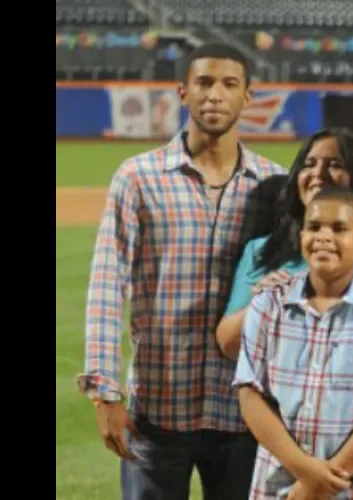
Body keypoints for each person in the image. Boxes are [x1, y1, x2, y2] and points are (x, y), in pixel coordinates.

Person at [76, 42, 287, 500]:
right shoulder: (138, 177)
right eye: (204, 83)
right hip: (159, 408)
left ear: (248, 96)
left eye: (229, 84)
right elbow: (107, 284)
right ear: (183, 92)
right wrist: (105, 392)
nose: (215, 95)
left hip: (244, 410)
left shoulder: (275, 185)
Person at [214, 126, 353, 474]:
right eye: (309, 164)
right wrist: (263, 303)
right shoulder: (265, 251)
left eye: (334, 164)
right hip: (282, 438)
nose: (318, 174)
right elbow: (230, 344)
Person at [234, 185, 353, 500]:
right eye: (314, 227)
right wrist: (305, 471)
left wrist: (316, 485)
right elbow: (250, 396)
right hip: (279, 484)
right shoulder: (268, 303)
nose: (323, 236)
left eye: (339, 228)